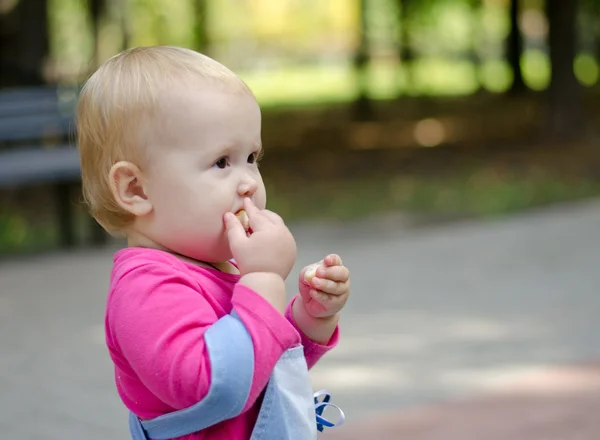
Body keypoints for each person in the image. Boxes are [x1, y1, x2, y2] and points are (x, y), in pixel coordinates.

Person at [76, 45, 351, 440]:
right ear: (136, 188)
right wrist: (265, 279)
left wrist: (310, 318)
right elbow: (219, 387)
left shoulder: (220, 270)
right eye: (222, 162)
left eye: (252, 157)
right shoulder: (147, 290)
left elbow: (263, 371)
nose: (249, 182)